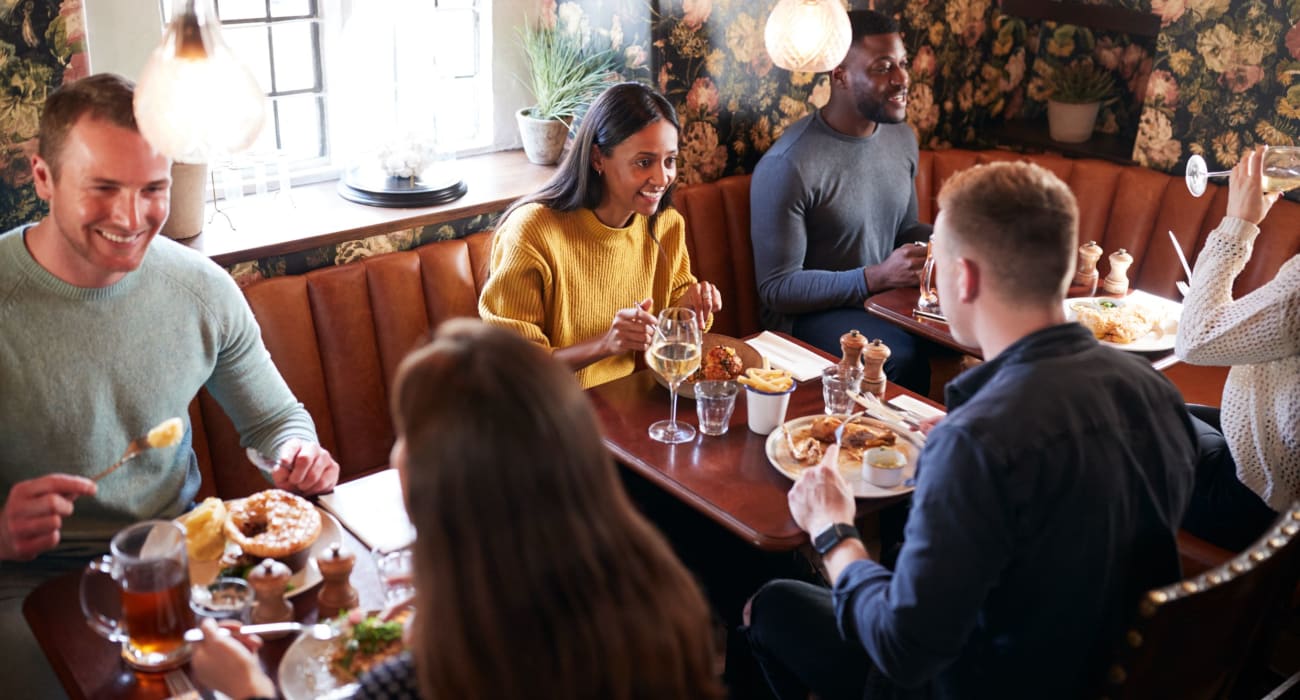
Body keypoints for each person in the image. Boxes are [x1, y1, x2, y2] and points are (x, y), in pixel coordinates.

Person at [744, 162, 1197, 699]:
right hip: (1103, 673)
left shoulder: (978, 444)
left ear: (965, 277)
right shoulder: (1159, 396)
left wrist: (833, 531)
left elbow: (902, 649)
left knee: (770, 606)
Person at [0, 73, 339, 697]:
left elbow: (275, 422)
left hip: (181, 564)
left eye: (153, 189)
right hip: (27, 585)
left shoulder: (201, 289)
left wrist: (292, 456)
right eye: (103, 188)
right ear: (43, 177)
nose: (132, 218)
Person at [192, 319, 725, 700]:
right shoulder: (666, 599)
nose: (396, 452)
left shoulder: (427, 678)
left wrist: (248, 689)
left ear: (441, 492)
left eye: (407, 435)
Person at [479, 81, 722, 389]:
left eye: (670, 160)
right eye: (644, 162)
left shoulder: (666, 225)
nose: (663, 178)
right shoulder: (531, 232)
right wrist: (606, 343)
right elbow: (513, 367)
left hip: (630, 405)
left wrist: (688, 309)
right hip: (546, 416)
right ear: (598, 159)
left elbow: (665, 329)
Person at [750, 10, 932, 394]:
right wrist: (875, 276)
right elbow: (777, 288)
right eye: (883, 67)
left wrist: (954, 237)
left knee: (985, 330)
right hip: (808, 318)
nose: (901, 79)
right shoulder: (789, 164)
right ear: (839, 75)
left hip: (881, 300)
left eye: (902, 63)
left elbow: (903, 230)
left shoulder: (902, 139)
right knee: (900, 354)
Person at [1176, 145, 1299, 552]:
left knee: (1104, 416)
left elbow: (1195, 338)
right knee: (1151, 401)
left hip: (1249, 503)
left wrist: (1239, 222)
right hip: (1265, 460)